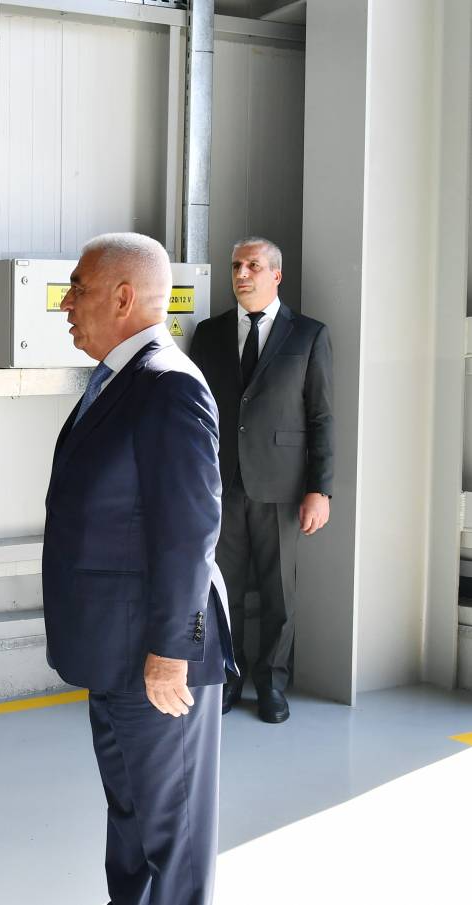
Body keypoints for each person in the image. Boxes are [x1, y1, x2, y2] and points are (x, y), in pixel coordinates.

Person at [46, 232, 235, 905]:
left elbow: (190, 528)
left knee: (171, 840)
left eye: (79, 288)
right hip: (116, 652)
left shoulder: (167, 386)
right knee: (131, 826)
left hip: (155, 658)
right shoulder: (121, 381)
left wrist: (170, 651)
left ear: (124, 297)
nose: (66, 304)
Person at [188, 237, 333, 724]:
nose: (242, 274)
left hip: (282, 486)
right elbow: (196, 413)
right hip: (220, 484)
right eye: (236, 266)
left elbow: (321, 417)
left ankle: (272, 684)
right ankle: (227, 678)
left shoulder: (308, 335)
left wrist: (319, 488)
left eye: (253, 265)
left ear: (276, 275)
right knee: (222, 589)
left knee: (279, 594)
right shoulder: (208, 334)